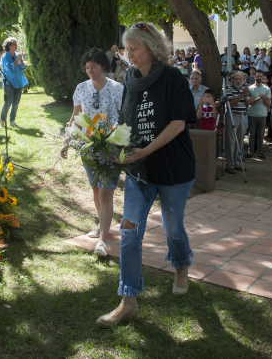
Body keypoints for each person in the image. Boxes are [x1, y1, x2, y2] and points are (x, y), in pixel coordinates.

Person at [96, 22, 196, 328]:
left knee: (173, 226)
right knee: (128, 231)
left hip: (173, 168)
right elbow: (127, 121)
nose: (129, 55)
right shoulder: (130, 79)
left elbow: (178, 123)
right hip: (139, 170)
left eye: (135, 49)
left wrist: (147, 149)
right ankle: (128, 300)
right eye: (127, 49)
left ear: (151, 48)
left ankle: (180, 266)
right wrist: (111, 144)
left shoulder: (172, 78)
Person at [64, 49, 124, 256]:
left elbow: (122, 117)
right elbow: (75, 117)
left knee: (107, 190)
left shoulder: (117, 88)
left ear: (104, 67)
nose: (90, 71)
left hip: (111, 146)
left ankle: (102, 242)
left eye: (94, 67)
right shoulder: (81, 88)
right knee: (96, 189)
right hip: (87, 146)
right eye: (87, 68)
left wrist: (115, 138)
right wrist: (67, 141)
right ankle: (102, 224)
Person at [0, 37, 28, 129]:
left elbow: (23, 67)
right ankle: (2, 121)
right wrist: (17, 59)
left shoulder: (17, 55)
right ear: (9, 46)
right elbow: (10, 68)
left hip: (18, 82)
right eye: (14, 44)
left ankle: (12, 121)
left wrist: (21, 59)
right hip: (9, 83)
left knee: (15, 103)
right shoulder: (5, 57)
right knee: (8, 102)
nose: (16, 45)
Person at [224, 71, 249, 173]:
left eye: (240, 79)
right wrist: (242, 95)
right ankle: (230, 164)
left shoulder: (245, 89)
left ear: (243, 80)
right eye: (236, 79)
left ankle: (237, 162)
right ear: (233, 80)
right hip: (232, 115)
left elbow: (247, 104)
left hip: (243, 115)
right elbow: (231, 104)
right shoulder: (228, 89)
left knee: (239, 139)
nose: (238, 81)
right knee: (231, 140)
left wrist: (245, 96)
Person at [246, 70, 271, 159]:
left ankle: (260, 152)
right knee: (251, 134)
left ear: (263, 77)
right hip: (252, 114)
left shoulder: (266, 89)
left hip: (262, 115)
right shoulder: (250, 88)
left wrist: (264, 99)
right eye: (257, 76)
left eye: (260, 76)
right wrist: (259, 98)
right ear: (254, 77)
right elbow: (250, 102)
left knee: (260, 134)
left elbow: (268, 104)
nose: (259, 78)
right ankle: (250, 151)